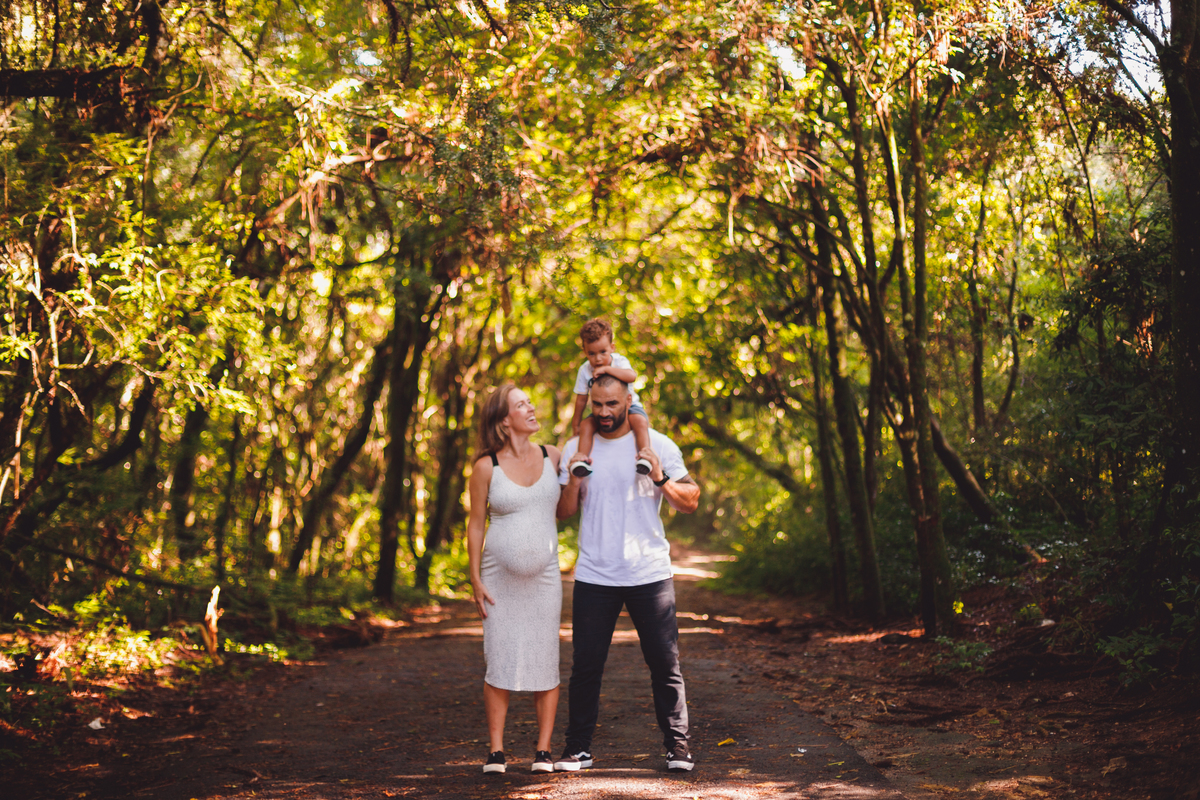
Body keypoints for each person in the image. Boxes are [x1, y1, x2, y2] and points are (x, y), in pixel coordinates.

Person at [553, 374, 702, 773]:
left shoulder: (657, 444)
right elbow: (563, 513)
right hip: (594, 574)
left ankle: (678, 748)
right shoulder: (575, 447)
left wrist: (660, 476)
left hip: (648, 572)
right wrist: (572, 481)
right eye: (596, 405)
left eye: (612, 405)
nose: (603, 413)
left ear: (628, 401)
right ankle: (577, 748)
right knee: (585, 666)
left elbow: (691, 500)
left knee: (664, 664)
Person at [466, 385, 564, 775]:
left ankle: (543, 751)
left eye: (529, 401)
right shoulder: (485, 467)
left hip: (545, 577)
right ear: (504, 420)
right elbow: (475, 525)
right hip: (497, 579)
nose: (531, 407)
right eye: (521, 404)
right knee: (500, 655)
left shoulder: (553, 456)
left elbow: (571, 501)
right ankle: (496, 751)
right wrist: (474, 579)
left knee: (545, 655)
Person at [569, 318, 653, 478]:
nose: (598, 359)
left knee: (640, 421)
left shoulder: (619, 361)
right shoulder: (584, 370)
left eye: (603, 352)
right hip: (601, 409)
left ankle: (645, 455)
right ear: (584, 351)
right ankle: (582, 459)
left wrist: (608, 370)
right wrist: (576, 424)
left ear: (612, 348)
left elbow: (631, 376)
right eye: (591, 354)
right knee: (587, 426)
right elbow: (580, 400)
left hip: (630, 407)